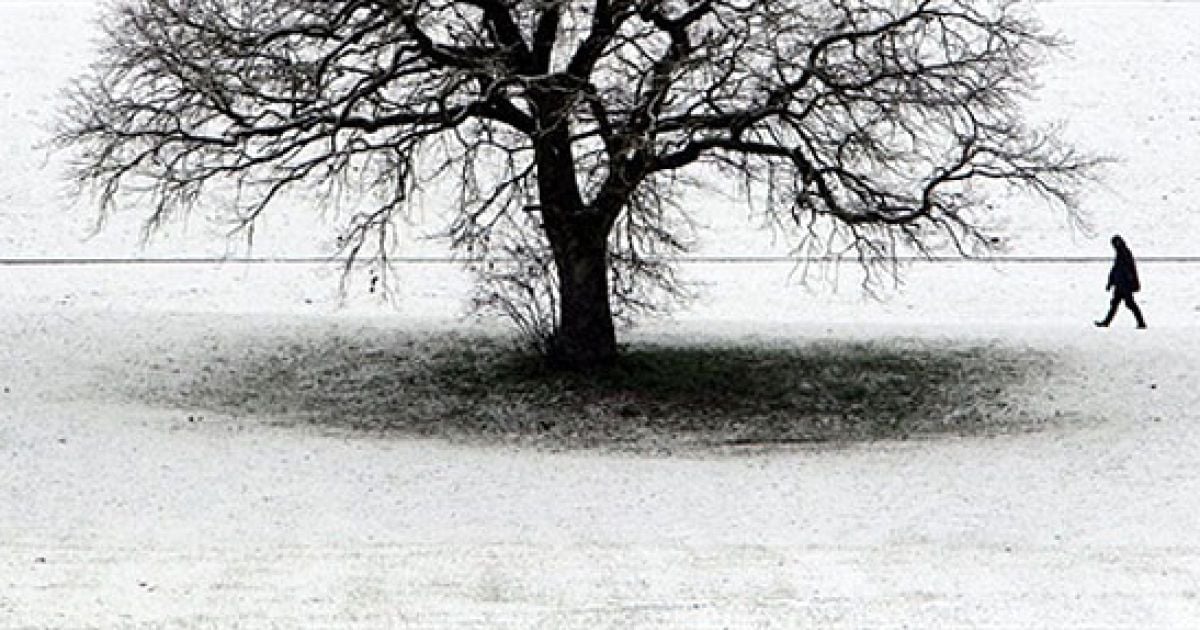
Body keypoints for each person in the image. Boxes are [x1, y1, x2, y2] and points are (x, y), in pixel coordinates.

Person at [1094, 235, 1146, 329]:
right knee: (1116, 304)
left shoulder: (1125, 253)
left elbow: (1127, 269)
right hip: (1120, 284)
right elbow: (1116, 270)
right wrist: (1110, 282)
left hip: (1125, 285)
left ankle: (1141, 323)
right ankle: (1106, 322)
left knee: (1129, 304)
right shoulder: (1121, 253)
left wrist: (1128, 280)